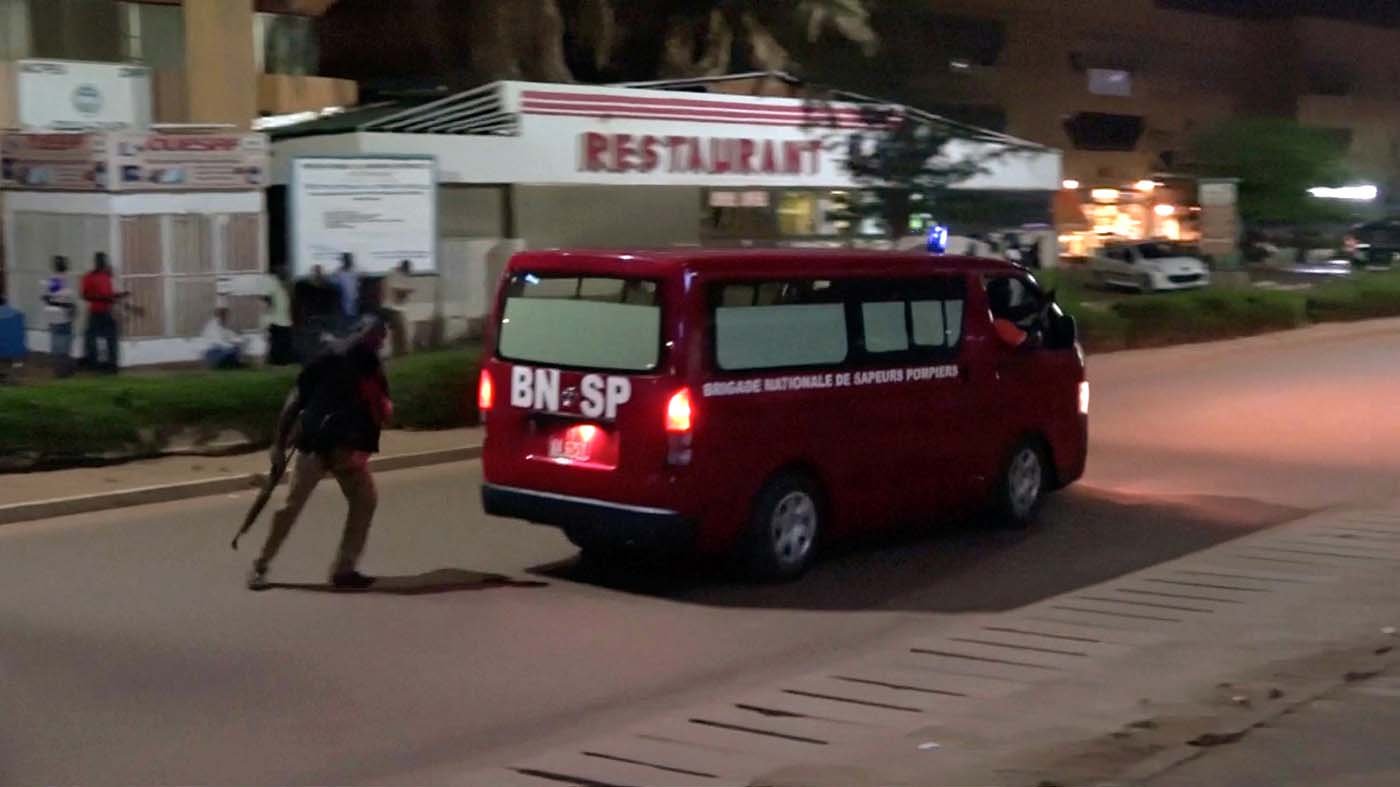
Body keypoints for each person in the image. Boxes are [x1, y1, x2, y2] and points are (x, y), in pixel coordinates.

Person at [248, 316, 393, 591]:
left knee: (364, 500)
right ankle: (260, 565)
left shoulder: (369, 364)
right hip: (315, 447)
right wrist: (278, 445)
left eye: (382, 335)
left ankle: (344, 569)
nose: (381, 340)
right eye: (378, 334)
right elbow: (296, 400)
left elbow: (381, 409)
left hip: (346, 451)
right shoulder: (331, 358)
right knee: (290, 508)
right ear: (362, 332)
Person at [81, 252, 125, 372]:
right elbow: (85, 295)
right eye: (103, 261)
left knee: (111, 338)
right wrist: (101, 298)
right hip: (96, 312)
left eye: (104, 261)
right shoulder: (89, 277)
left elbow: (109, 295)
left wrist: (119, 295)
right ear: (97, 262)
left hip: (107, 311)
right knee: (92, 339)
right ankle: (94, 364)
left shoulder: (106, 276)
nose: (104, 263)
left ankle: (111, 365)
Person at [293, 264, 341, 360]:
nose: (316, 276)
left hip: (322, 321)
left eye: (316, 274)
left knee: (321, 345)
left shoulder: (329, 289)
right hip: (314, 321)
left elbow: (334, 307)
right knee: (315, 345)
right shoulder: (309, 288)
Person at [42, 255, 76, 378]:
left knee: (59, 345)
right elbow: (54, 299)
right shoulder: (63, 279)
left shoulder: (55, 279)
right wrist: (67, 306)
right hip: (62, 317)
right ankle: (63, 371)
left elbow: (50, 298)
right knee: (63, 345)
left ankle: (61, 370)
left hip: (56, 317)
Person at [261, 265, 294, 366]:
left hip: (286, 319)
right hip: (277, 319)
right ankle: (276, 361)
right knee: (277, 342)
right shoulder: (274, 283)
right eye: (282, 272)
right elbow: (265, 296)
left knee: (283, 342)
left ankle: (282, 361)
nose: (284, 274)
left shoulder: (288, 285)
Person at [382, 259, 414, 356]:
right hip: (393, 308)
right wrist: (407, 291)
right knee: (401, 330)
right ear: (404, 268)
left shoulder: (399, 275)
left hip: (396, 308)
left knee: (397, 331)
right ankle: (402, 352)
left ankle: (398, 352)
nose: (409, 273)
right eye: (408, 270)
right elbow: (397, 291)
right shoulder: (394, 275)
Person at [335, 253, 360, 326]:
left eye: (349, 259)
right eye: (346, 260)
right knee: (346, 319)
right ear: (343, 261)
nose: (348, 261)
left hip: (354, 299)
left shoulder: (355, 271)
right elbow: (335, 282)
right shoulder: (339, 272)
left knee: (354, 318)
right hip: (343, 300)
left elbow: (358, 283)